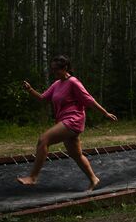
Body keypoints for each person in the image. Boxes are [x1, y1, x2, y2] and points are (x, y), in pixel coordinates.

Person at [17, 55, 117, 191]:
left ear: (65, 68)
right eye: (52, 69)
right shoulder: (57, 84)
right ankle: (94, 179)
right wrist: (30, 89)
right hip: (64, 121)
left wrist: (105, 113)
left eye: (56, 69)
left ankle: (33, 177)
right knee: (76, 155)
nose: (54, 72)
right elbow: (42, 98)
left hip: (73, 120)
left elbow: (89, 100)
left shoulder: (73, 82)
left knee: (43, 140)